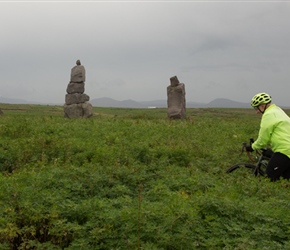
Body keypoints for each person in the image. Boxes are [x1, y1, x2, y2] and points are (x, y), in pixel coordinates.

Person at [245, 92, 290, 181]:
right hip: (287, 150)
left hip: (285, 150)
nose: (257, 112)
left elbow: (263, 139)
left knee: (269, 177)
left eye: (256, 108)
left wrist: (252, 147)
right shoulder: (278, 110)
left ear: (262, 106)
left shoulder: (268, 115)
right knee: (285, 180)